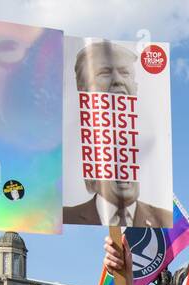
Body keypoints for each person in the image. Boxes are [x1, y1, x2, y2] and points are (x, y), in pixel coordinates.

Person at [63, 41, 172, 228]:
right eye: (105, 72)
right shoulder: (66, 215)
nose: (118, 80)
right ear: (82, 87)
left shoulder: (163, 218)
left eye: (125, 72)